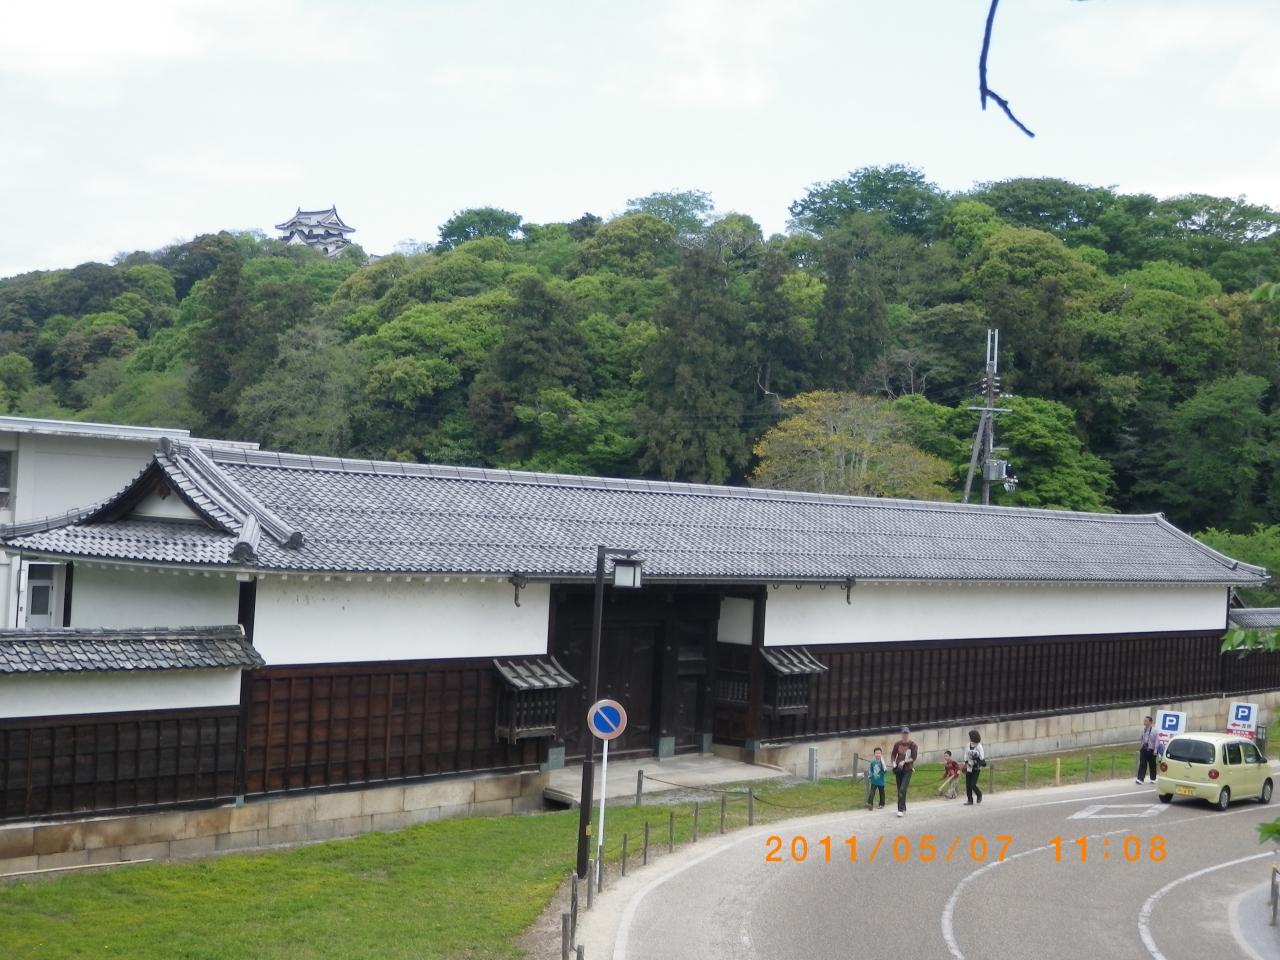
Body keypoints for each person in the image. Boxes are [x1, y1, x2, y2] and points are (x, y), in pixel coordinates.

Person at [890, 726, 918, 817]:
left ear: (908, 734)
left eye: (906, 733)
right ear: (901, 734)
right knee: (900, 789)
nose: (905, 735)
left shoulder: (913, 745)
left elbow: (913, 758)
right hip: (898, 769)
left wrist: (904, 761)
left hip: (908, 769)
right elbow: (893, 754)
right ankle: (903, 806)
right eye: (903, 733)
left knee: (902, 788)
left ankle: (900, 809)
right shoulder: (897, 744)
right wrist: (893, 762)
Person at [964, 729, 985, 805]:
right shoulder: (968, 745)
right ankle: (970, 800)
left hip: (976, 767)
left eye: (970, 736)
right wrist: (966, 762)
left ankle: (979, 794)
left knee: (973, 784)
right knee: (968, 784)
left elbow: (982, 757)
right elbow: (965, 754)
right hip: (969, 766)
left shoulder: (979, 746)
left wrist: (976, 758)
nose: (969, 738)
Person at [1136, 715, 1159, 783]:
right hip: (1144, 749)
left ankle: (1153, 779)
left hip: (1151, 750)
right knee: (1142, 764)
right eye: (1144, 720)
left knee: (1152, 765)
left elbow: (1157, 741)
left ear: (1150, 722)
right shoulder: (1143, 730)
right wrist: (1141, 746)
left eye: (1146, 721)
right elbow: (1141, 739)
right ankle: (1140, 779)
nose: (1144, 722)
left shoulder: (1155, 731)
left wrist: (1155, 750)